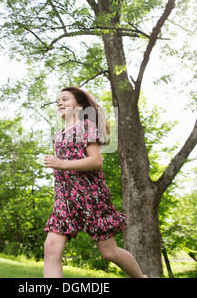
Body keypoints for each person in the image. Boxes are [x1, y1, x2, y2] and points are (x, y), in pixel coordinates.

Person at [43, 86, 147, 278]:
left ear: (80, 105)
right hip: (65, 200)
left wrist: (61, 163)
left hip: (91, 198)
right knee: (51, 248)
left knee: (109, 253)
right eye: (59, 100)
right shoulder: (58, 135)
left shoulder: (86, 127)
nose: (60, 103)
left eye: (65, 99)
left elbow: (96, 161)